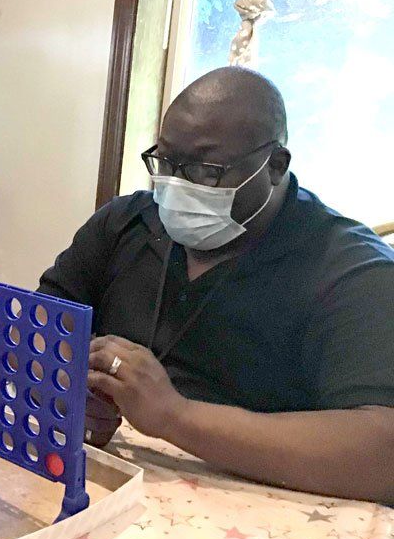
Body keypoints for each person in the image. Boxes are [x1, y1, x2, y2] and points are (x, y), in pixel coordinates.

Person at [39, 66, 394, 503]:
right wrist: (65, 380)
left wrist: (175, 416)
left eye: (206, 171)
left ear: (276, 166)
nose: (176, 186)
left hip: (267, 531)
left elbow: (382, 452)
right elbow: (41, 323)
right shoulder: (125, 223)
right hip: (107, 495)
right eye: (165, 162)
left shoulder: (352, 271)